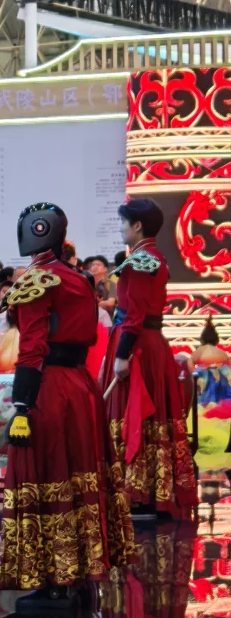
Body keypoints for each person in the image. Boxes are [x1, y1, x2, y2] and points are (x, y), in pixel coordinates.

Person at [0, 202, 134, 607]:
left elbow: (32, 347)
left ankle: (53, 573)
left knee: (48, 471)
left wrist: (21, 403)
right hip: (81, 386)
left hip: (50, 389)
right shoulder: (78, 277)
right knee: (80, 473)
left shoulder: (35, 281)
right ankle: (80, 568)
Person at [100, 198, 197, 519]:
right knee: (150, 417)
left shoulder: (140, 262)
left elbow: (134, 315)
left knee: (135, 413)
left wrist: (122, 355)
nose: (120, 228)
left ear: (137, 225)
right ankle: (150, 490)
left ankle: (136, 492)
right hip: (150, 345)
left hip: (138, 347)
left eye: (123, 222)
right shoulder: (153, 257)